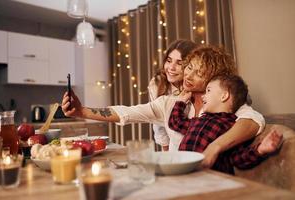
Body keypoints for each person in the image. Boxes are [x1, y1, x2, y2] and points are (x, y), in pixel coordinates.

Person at [61, 45, 276, 168]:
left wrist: (215, 147)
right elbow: (127, 112)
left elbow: (254, 121)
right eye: (188, 68)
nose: (187, 76)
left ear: (215, 78)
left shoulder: (228, 108)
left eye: (197, 73)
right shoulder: (171, 103)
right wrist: (82, 111)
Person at [168, 74, 282, 174]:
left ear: (224, 96)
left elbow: (237, 159)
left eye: (208, 90)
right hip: (183, 173)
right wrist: (181, 102)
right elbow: (175, 122)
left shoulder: (232, 127)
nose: (203, 96)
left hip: (211, 179)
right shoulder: (197, 120)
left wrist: (260, 149)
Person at [148, 39, 198, 151]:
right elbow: (158, 122)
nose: (171, 67)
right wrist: (166, 154)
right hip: (173, 148)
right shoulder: (157, 84)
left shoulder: (198, 85)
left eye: (179, 63)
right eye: (169, 61)